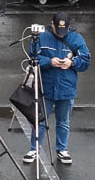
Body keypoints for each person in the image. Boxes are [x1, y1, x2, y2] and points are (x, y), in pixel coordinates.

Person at [24, 13, 90, 166]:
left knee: (63, 121)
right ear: (52, 24)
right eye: (57, 30)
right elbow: (32, 58)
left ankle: (62, 150)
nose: (61, 33)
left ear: (68, 26)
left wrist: (72, 62)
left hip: (66, 88)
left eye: (64, 30)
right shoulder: (41, 37)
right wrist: (49, 62)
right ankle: (34, 149)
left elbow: (85, 61)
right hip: (45, 87)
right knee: (39, 120)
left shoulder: (77, 39)